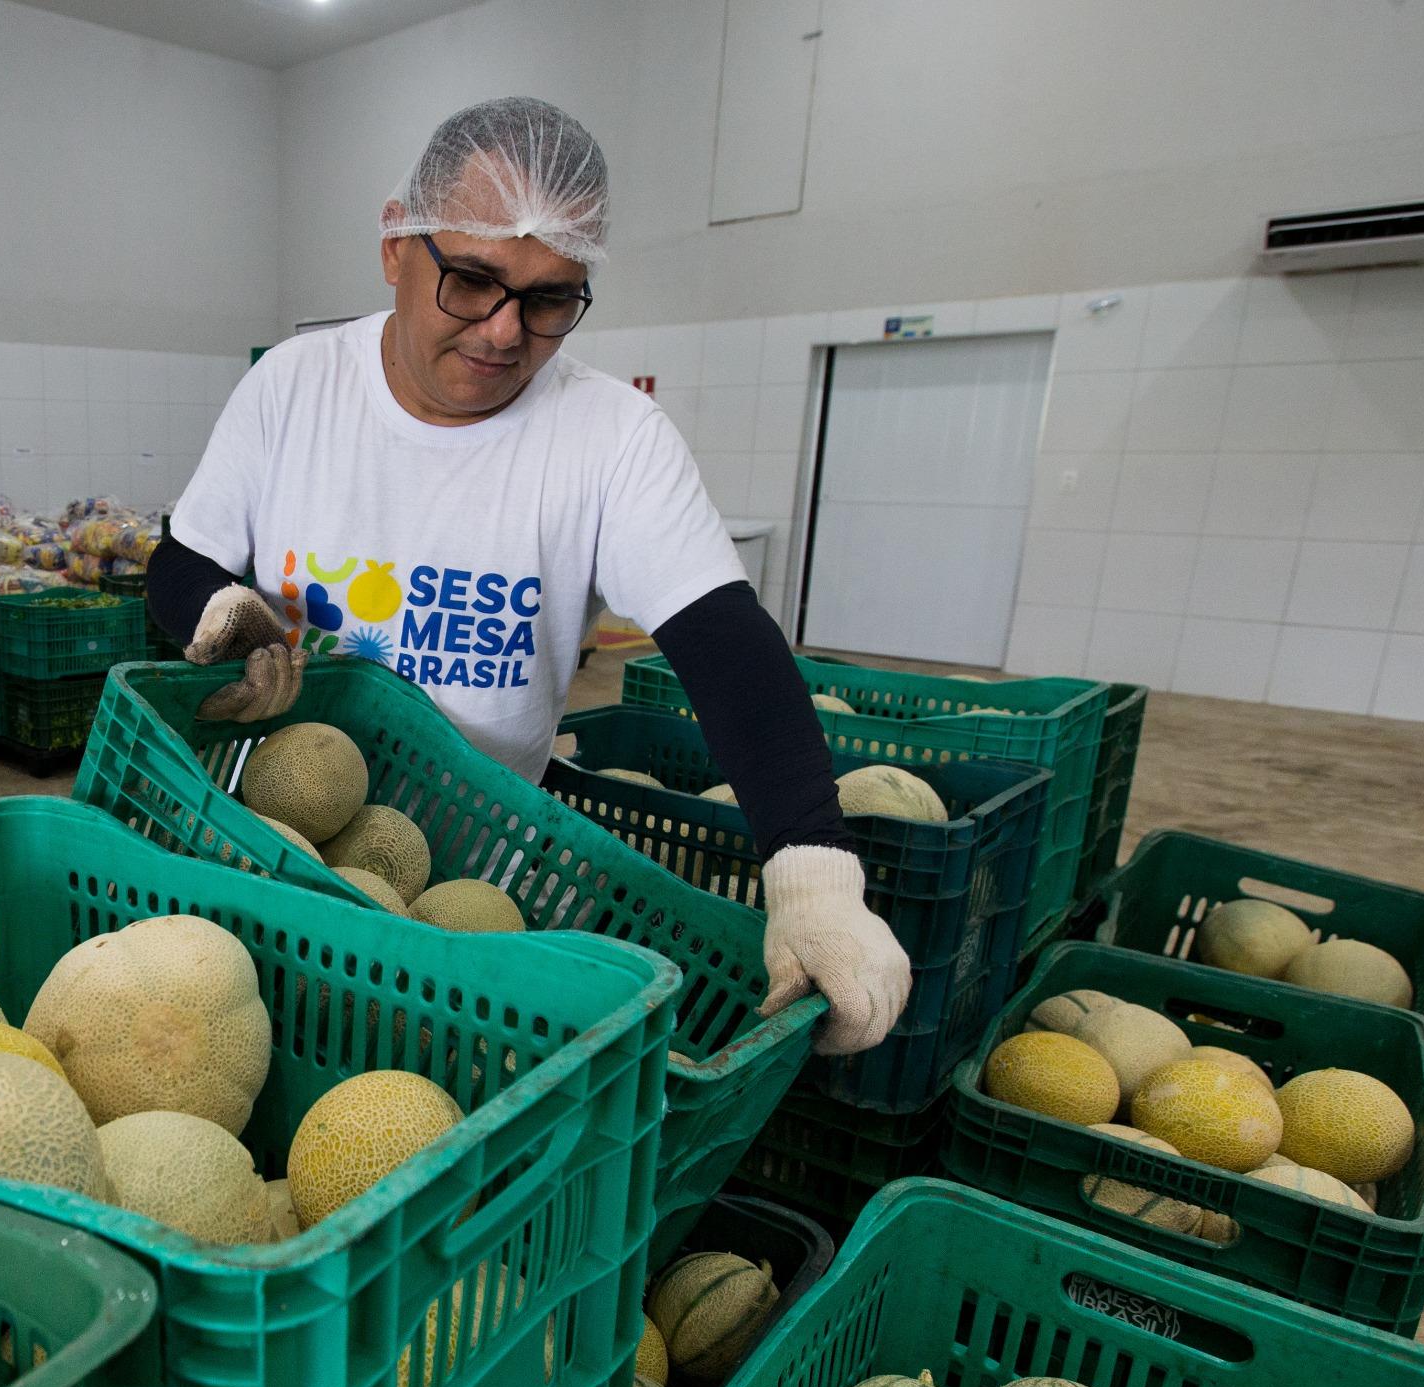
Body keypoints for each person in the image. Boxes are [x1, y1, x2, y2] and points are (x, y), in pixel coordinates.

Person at [145, 96, 909, 1054]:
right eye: (472, 280)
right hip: (276, 845)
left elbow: (723, 643)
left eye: (549, 298)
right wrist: (222, 608)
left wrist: (814, 874)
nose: (505, 332)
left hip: (480, 882)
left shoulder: (612, 439)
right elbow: (181, 557)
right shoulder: (293, 387)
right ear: (395, 248)